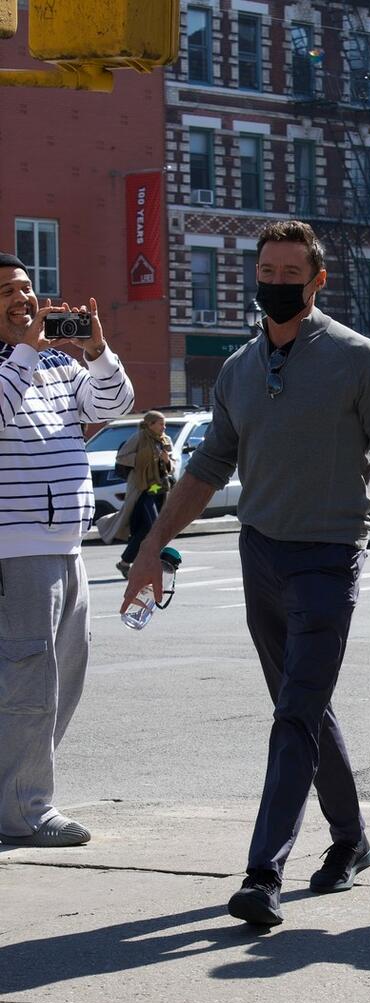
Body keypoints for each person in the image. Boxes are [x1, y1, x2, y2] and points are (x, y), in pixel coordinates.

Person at [122, 220, 370, 927]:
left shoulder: (357, 358)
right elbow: (208, 466)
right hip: (260, 554)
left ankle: (262, 872)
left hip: (329, 556)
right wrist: (150, 547)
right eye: (267, 272)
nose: (275, 283)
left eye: (290, 273)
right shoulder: (239, 368)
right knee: (303, 707)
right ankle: (352, 840)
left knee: (295, 712)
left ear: (317, 280)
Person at [0, 252, 135, 846]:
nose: (23, 299)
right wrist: (27, 351)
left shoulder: (56, 362)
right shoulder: (21, 362)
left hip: (66, 545)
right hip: (15, 548)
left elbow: (113, 403)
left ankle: (17, 791)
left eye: (26, 287)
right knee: (28, 683)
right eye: (6, 291)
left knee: (60, 679)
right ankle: (24, 810)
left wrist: (96, 350)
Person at [98, 411, 174, 578]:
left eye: (164, 424)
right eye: (161, 424)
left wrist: (166, 460)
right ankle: (148, 563)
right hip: (143, 489)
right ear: (150, 424)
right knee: (152, 526)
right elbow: (122, 457)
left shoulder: (166, 440)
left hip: (159, 488)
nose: (164, 427)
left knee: (146, 529)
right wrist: (144, 458)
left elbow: (171, 467)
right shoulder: (139, 438)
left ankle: (126, 562)